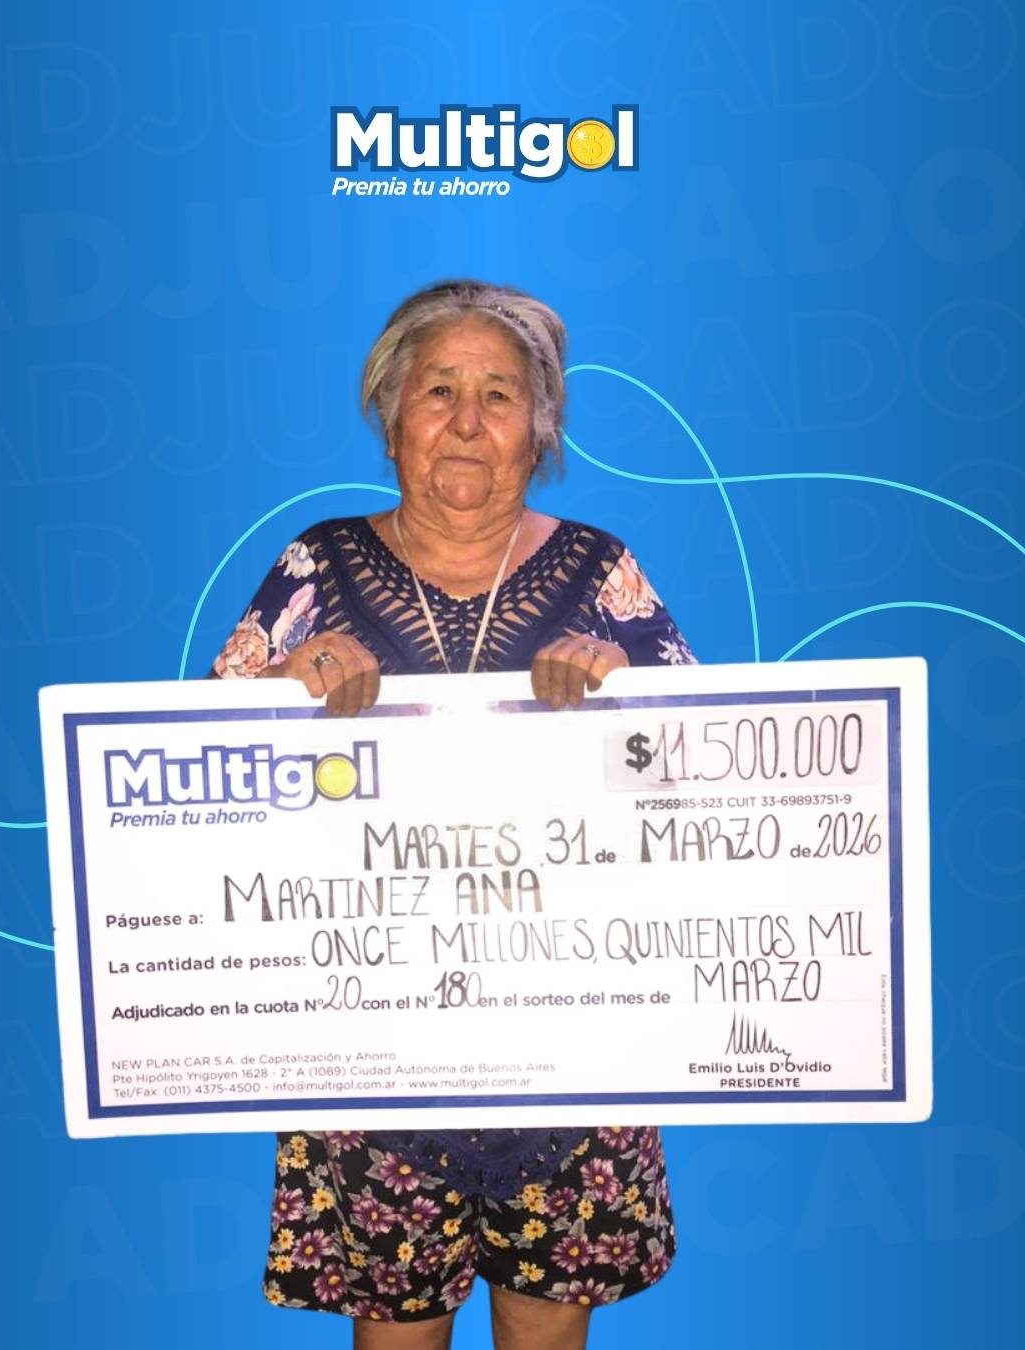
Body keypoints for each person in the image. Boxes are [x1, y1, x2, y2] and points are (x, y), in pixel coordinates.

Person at [211, 280, 696, 1348]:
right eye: (438, 390)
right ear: (391, 419)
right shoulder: (313, 568)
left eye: (500, 395)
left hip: (573, 1053)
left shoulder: (603, 573)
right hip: (369, 1061)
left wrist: (630, 699)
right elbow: (186, 795)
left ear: (541, 430)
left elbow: (714, 797)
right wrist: (278, 693)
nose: (468, 421)